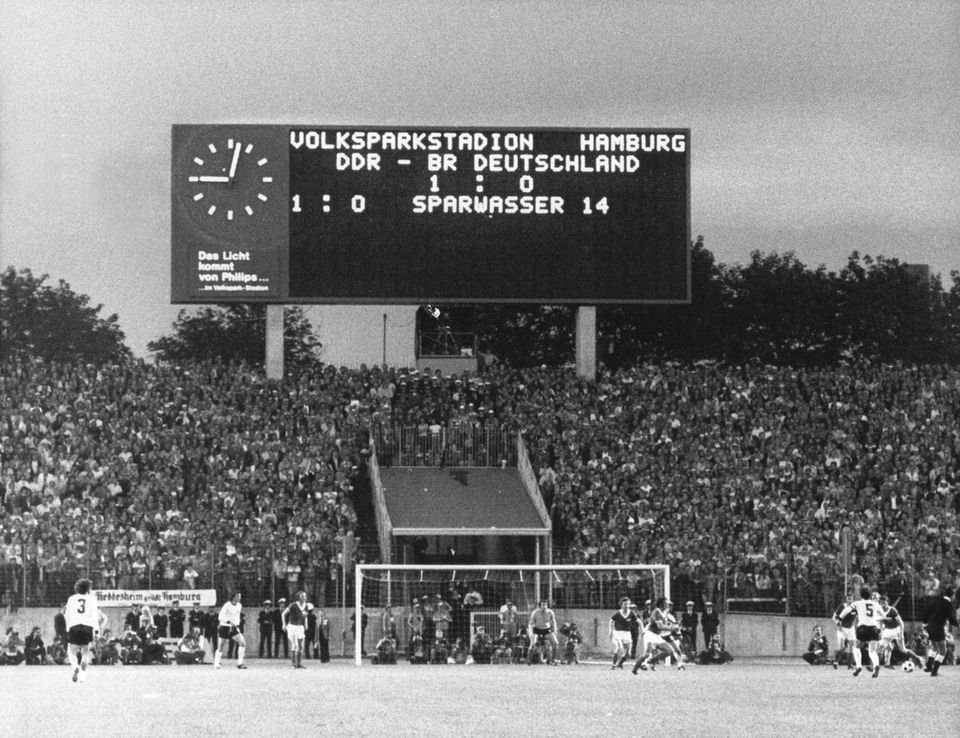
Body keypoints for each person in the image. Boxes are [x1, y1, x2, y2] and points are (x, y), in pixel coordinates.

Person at [838, 587, 885, 677]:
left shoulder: (857, 603)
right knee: (872, 652)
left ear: (861, 595)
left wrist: (840, 618)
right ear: (870, 595)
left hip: (862, 629)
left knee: (856, 648)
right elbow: (884, 616)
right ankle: (876, 666)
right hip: (873, 629)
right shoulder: (875, 604)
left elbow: (847, 610)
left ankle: (859, 666)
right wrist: (875, 618)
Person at [65, 577, 105, 682]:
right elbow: (94, 617)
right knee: (86, 651)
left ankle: (75, 667)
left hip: (74, 627)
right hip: (87, 627)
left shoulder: (71, 599)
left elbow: (67, 615)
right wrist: (97, 632)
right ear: (88, 589)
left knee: (71, 651)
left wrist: (68, 629)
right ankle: (82, 674)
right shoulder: (91, 600)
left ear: (77, 588)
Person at [921, 585, 959, 677]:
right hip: (938, 627)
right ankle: (934, 671)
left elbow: (927, 611)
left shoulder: (936, 600)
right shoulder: (948, 604)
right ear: (952, 595)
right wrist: (958, 624)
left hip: (930, 626)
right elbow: (950, 618)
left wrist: (925, 623)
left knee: (934, 647)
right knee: (942, 650)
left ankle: (929, 666)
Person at [877, 595, 923, 668]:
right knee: (880, 648)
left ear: (887, 603)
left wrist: (901, 633)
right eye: (882, 603)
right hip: (887, 631)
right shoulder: (878, 611)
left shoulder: (892, 610)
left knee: (903, 649)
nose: (883, 605)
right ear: (879, 603)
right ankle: (876, 667)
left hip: (896, 630)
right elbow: (880, 621)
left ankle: (917, 658)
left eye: (885, 603)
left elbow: (901, 622)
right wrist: (880, 631)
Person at [213, 591, 247, 669]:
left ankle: (240, 663)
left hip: (233, 627)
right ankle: (216, 663)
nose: (240, 598)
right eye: (238, 596)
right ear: (234, 597)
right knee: (221, 646)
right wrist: (228, 622)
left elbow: (237, 616)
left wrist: (236, 625)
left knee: (242, 643)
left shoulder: (239, 605)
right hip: (224, 626)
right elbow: (220, 616)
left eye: (240, 596)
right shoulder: (227, 605)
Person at [282, 590, 309, 669]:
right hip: (292, 627)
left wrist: (306, 623)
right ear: (298, 597)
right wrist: (284, 624)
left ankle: (299, 664)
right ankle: (293, 663)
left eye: (305, 596)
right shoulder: (293, 605)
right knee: (294, 645)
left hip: (300, 627)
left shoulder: (306, 606)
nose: (304, 598)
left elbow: (305, 615)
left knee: (301, 646)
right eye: (302, 596)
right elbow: (283, 614)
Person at [526, 599, 559, 665]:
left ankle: (553, 660)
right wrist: (530, 632)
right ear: (540, 606)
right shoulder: (535, 612)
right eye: (543, 605)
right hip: (537, 629)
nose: (545, 606)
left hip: (547, 630)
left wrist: (555, 629)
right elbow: (530, 623)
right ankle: (529, 660)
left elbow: (553, 621)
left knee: (555, 643)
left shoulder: (550, 612)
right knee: (533, 643)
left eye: (546, 605)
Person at [608, 597, 637, 669]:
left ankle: (620, 663)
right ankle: (613, 665)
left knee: (629, 653)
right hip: (618, 633)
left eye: (628, 604)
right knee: (619, 648)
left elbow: (638, 621)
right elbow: (611, 621)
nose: (627, 606)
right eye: (625, 604)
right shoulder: (618, 613)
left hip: (627, 633)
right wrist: (610, 631)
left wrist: (642, 629)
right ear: (621, 605)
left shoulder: (631, 613)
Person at [831, 593, 856, 669]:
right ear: (845, 600)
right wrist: (837, 623)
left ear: (853, 599)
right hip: (842, 629)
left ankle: (849, 664)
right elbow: (834, 617)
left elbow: (858, 617)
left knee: (852, 646)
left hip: (851, 629)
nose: (849, 600)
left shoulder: (855, 607)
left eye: (851, 598)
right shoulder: (842, 607)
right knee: (841, 646)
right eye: (848, 598)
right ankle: (835, 662)